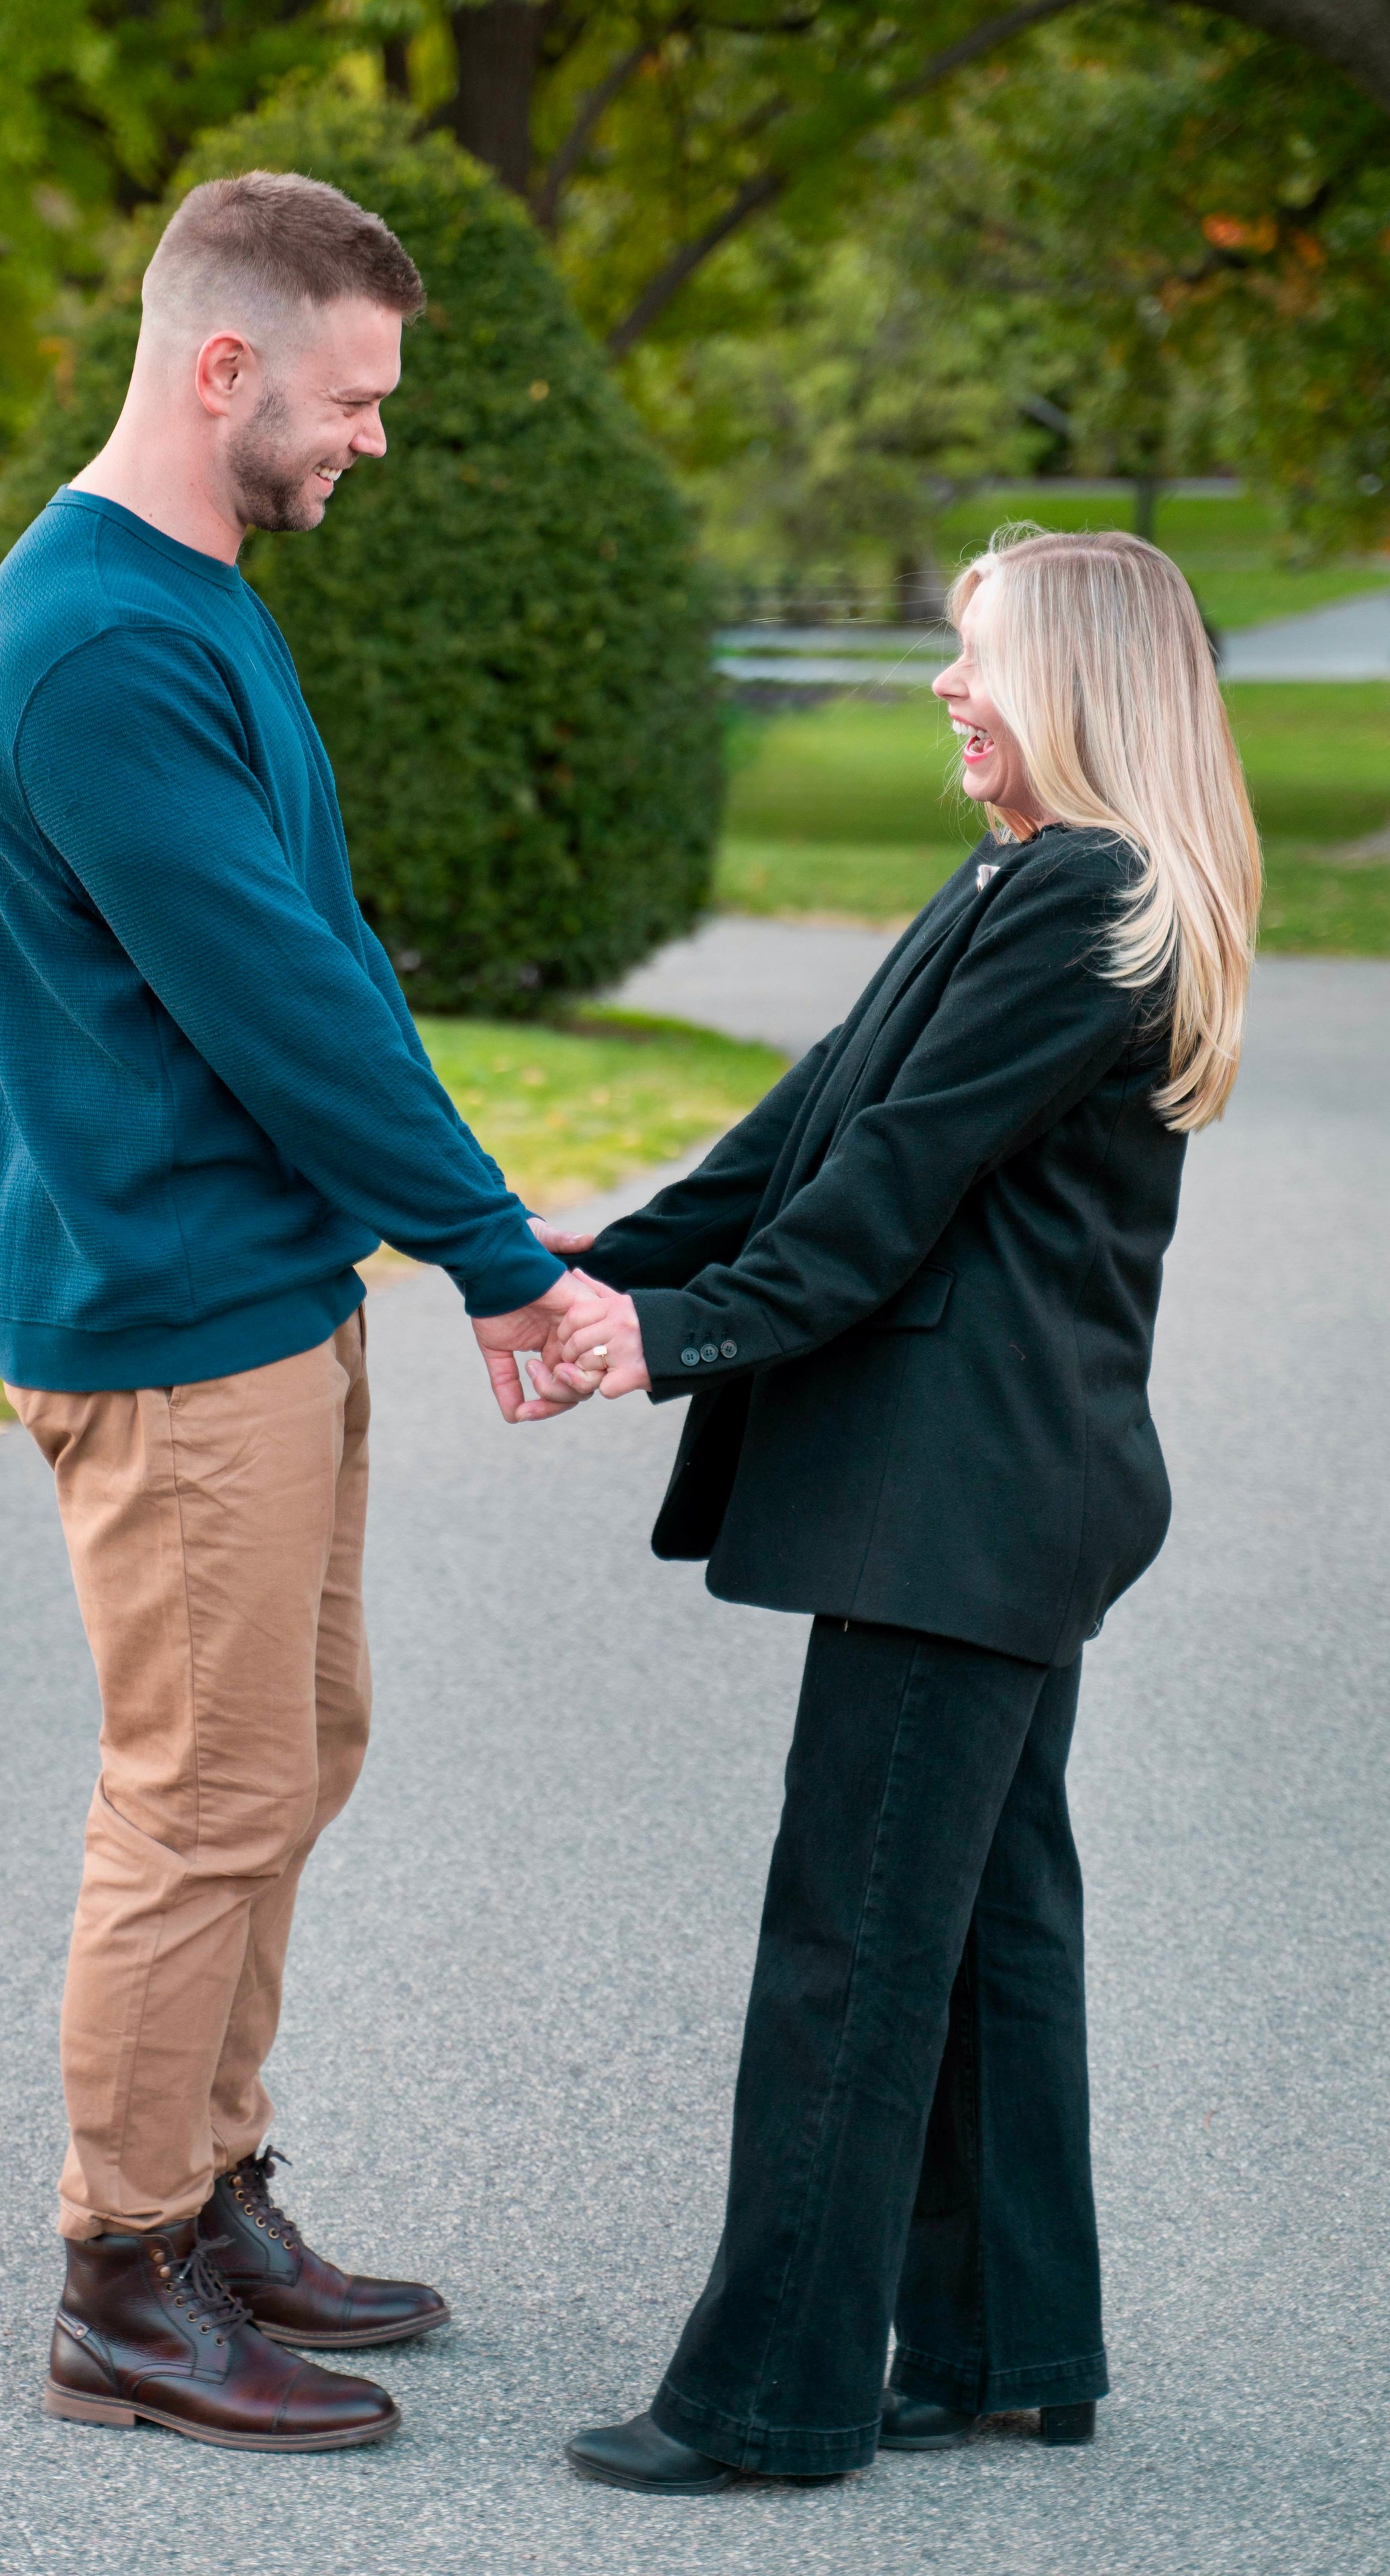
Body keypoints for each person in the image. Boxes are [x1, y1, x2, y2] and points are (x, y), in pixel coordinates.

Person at [517, 528, 1261, 2491]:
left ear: (1083, 687)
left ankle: (774, 2398)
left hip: (967, 1498)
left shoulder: (1088, 892)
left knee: (851, 1945)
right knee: (993, 1921)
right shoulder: (1035, 876)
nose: (951, 686)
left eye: (982, 657)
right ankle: (1013, 2344)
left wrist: (668, 1338)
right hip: (1008, 1489)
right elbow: (822, 1109)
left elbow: (890, 1185)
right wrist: (611, 1251)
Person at [0, 169, 581, 2453]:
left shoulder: (189, 589)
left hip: (265, 1288)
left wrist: (452, 1230)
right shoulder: (111, 638)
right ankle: (122, 2280)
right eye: (353, 395)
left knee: (292, 1757)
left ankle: (210, 2195)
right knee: (200, 1796)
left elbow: (318, 947)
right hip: (175, 1313)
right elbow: (280, 1007)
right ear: (225, 368)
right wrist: (502, 1259)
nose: (375, 439)